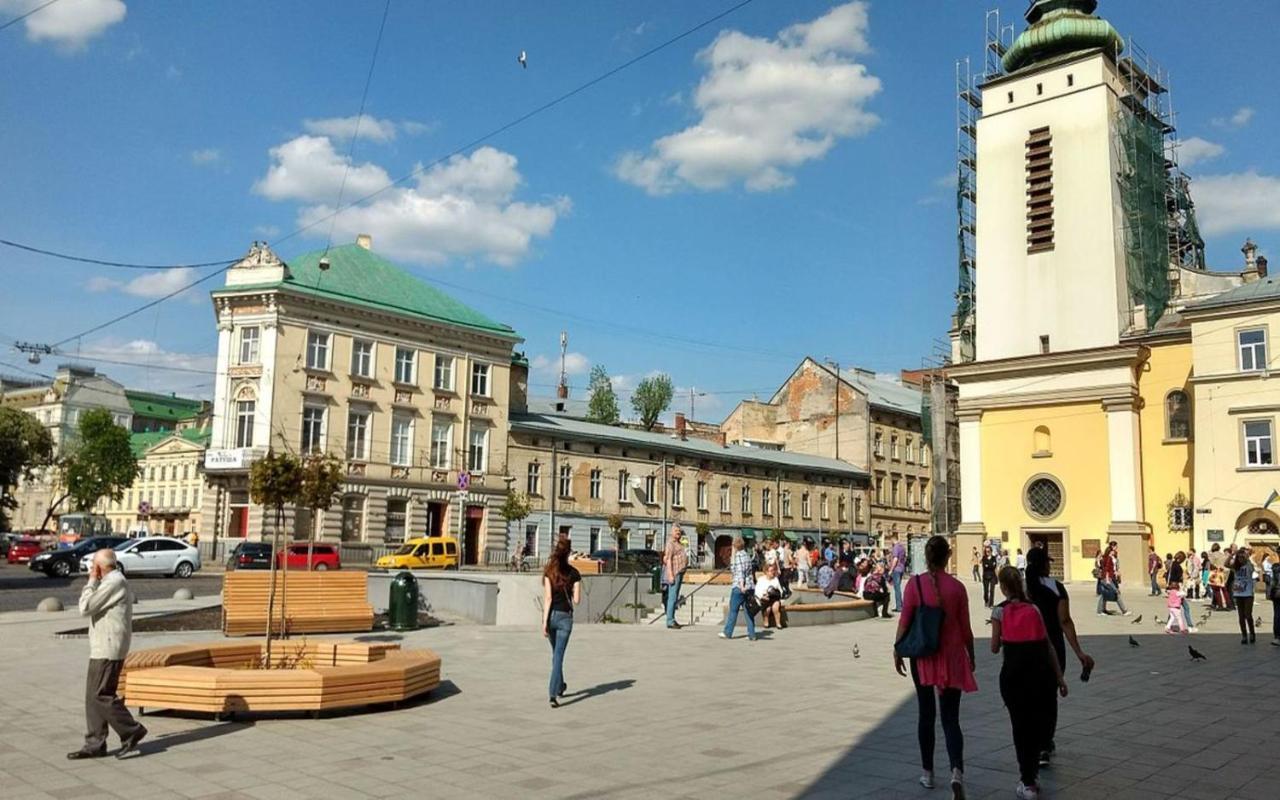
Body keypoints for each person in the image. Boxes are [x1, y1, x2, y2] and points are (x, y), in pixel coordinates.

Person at [894, 536, 975, 798]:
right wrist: (971, 657)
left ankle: (927, 772)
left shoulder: (914, 585)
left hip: (923, 656)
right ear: (948, 556)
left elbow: (905, 621)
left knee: (925, 715)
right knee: (951, 719)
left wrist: (897, 649)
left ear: (927, 557)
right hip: (951, 656)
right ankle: (956, 773)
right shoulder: (957, 588)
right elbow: (966, 629)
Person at [991, 566, 1067, 800]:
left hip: (1014, 677)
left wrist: (1004, 635)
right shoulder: (1034, 608)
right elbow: (1048, 645)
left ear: (1003, 588)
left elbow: (994, 648)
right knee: (1035, 727)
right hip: (1040, 676)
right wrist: (1060, 677)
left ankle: (1027, 781)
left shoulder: (999, 612)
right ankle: (1032, 777)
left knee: (1020, 728)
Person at [69, 549, 147, 759]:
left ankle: (131, 730)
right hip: (102, 646)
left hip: (109, 647)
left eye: (93, 564)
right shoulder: (112, 581)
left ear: (99, 566)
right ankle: (95, 743)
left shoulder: (114, 582)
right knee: (92, 696)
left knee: (101, 694)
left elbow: (85, 607)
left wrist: (91, 581)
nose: (90, 568)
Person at [1024, 546, 1093, 767]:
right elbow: (1064, 621)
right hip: (1053, 647)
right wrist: (1079, 652)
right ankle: (1045, 744)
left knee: (1032, 696)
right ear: (1044, 564)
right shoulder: (1057, 587)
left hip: (1026, 649)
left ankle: (1032, 740)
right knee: (1049, 696)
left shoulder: (1024, 589)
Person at [542, 538, 581, 708]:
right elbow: (577, 600)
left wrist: (544, 623)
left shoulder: (549, 572)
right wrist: (573, 589)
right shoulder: (574, 573)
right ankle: (552, 694)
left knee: (556, 655)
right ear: (569, 553)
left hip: (551, 618)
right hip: (565, 618)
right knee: (558, 656)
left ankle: (560, 685)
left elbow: (548, 598)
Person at [720, 536, 757, 641]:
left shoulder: (739, 556)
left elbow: (740, 572)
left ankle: (728, 632)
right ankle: (752, 634)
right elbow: (738, 570)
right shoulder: (747, 555)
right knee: (748, 611)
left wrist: (741, 586)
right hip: (750, 587)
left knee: (733, 610)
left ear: (734, 546)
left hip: (739, 587)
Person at [662, 524, 689, 630]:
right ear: (672, 532)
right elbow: (668, 559)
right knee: (672, 597)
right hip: (675, 572)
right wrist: (670, 575)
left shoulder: (679, 543)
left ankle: (672, 618)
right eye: (676, 531)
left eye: (679, 530)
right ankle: (670, 621)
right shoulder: (670, 543)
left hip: (680, 572)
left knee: (675, 597)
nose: (678, 532)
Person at [1095, 541, 1130, 616]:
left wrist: (1116, 572)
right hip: (1107, 578)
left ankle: (1100, 610)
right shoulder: (1108, 558)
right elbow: (1106, 569)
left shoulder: (1112, 557)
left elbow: (1111, 568)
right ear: (1112, 549)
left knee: (1104, 594)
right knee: (1116, 592)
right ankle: (1124, 611)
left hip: (1110, 578)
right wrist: (1107, 579)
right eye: (1116, 548)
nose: (1117, 549)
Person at [1231, 549, 1256, 644]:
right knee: (1241, 616)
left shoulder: (1249, 566)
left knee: (1248, 614)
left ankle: (1252, 633)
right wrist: (1232, 555)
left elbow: (1249, 561)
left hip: (1248, 593)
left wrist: (1245, 555)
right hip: (1238, 593)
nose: (1240, 559)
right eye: (1239, 557)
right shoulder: (1235, 567)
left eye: (1242, 557)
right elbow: (1225, 564)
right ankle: (1244, 635)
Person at [755, 562, 785, 629]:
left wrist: (776, 591)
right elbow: (757, 591)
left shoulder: (775, 579)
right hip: (764, 598)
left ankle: (778, 623)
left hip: (774, 598)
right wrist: (763, 596)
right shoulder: (761, 580)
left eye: (773, 570)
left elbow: (781, 591)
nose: (773, 572)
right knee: (767, 609)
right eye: (771, 571)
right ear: (766, 572)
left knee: (775, 607)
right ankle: (766, 622)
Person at [890, 535, 908, 612]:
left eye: (891, 541)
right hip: (901, 568)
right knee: (898, 587)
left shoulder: (896, 547)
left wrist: (891, 569)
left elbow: (895, 559)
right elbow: (905, 558)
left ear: (893, 539)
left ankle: (899, 607)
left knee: (897, 588)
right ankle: (900, 605)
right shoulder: (902, 547)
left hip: (896, 569)